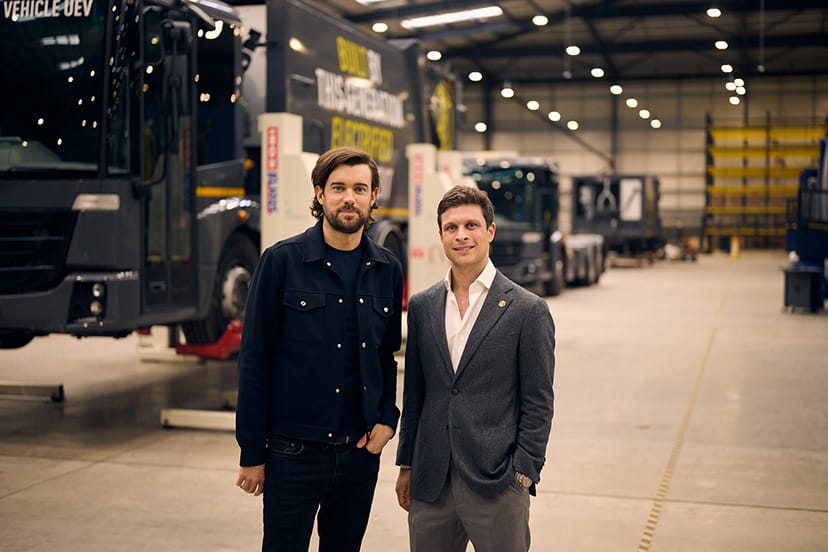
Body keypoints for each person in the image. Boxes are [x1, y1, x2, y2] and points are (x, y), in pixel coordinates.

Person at [235, 147, 403, 552]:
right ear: (319, 193)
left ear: (373, 196)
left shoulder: (387, 269)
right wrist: (251, 452)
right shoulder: (281, 262)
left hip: (359, 455)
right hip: (292, 454)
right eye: (338, 187)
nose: (349, 198)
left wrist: (387, 419)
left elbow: (386, 355)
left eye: (359, 189)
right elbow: (255, 360)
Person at [395, 184, 555, 552]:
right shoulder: (422, 306)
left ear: (490, 231)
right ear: (440, 235)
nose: (461, 236)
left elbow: (538, 400)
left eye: (471, 225)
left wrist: (523, 471)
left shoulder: (527, 310)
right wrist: (407, 464)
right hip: (431, 482)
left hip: (497, 482)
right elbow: (415, 394)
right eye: (451, 227)